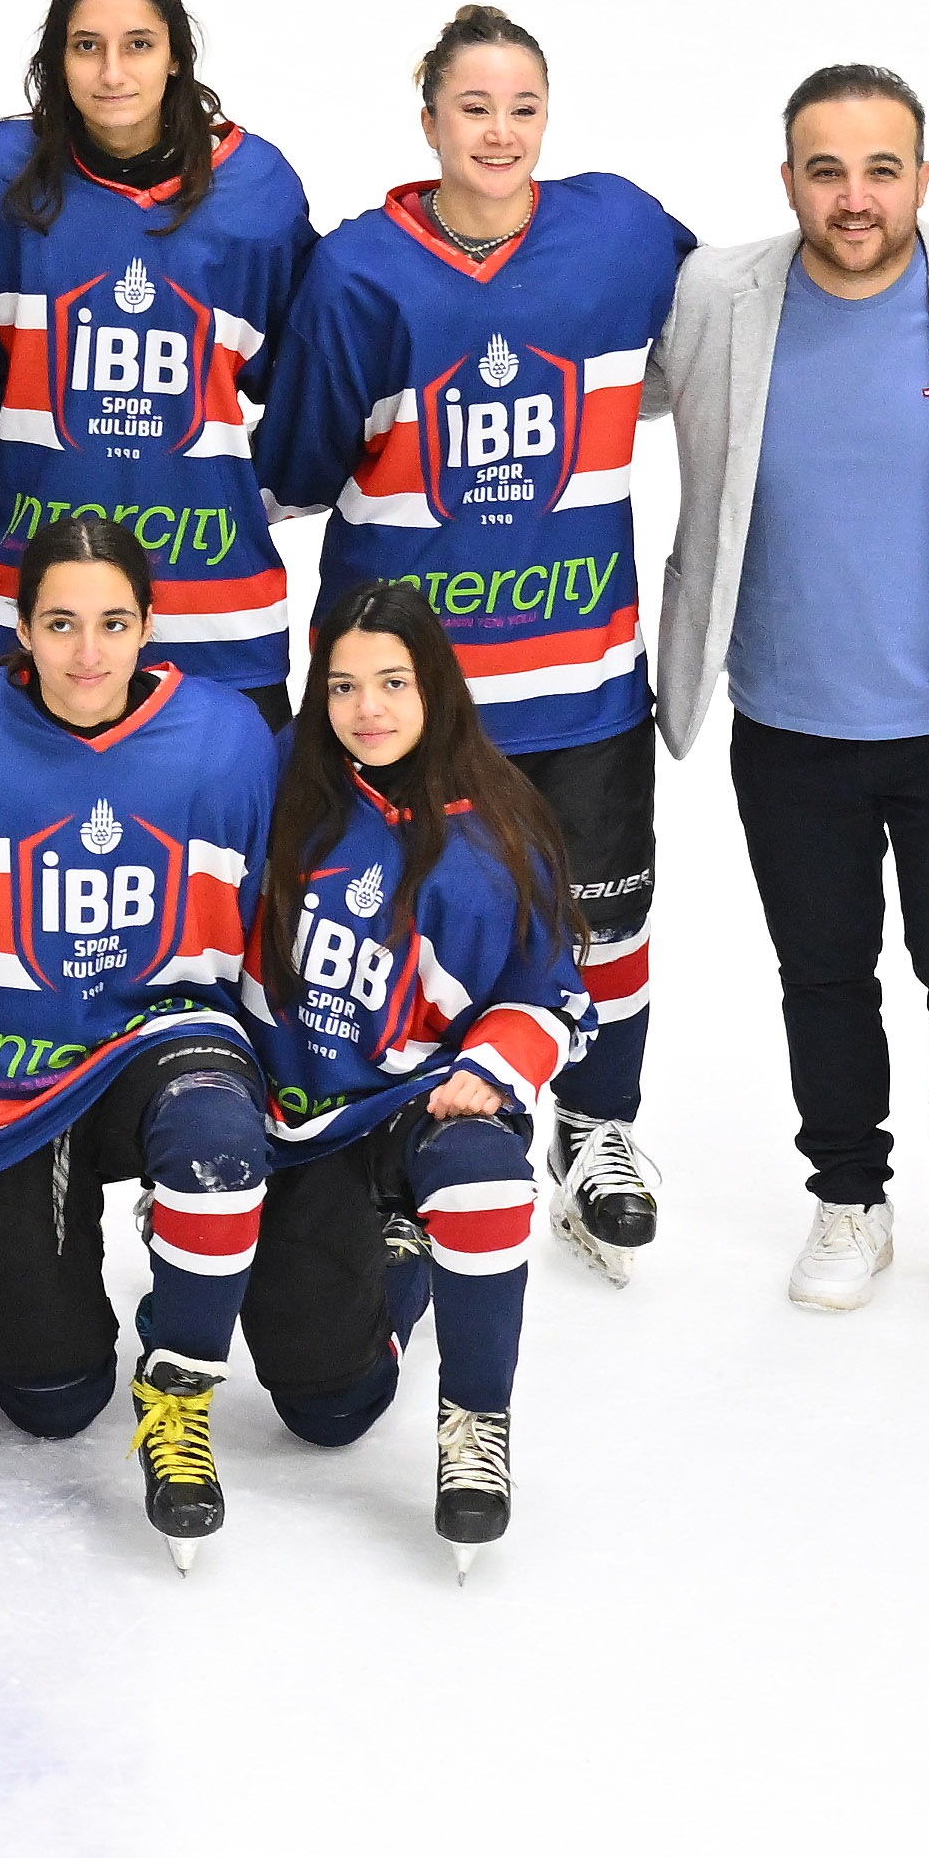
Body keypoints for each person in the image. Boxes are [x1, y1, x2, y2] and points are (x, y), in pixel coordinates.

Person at [649, 64, 929, 1313]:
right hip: (785, 720)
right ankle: (846, 1200)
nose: (854, 197)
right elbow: (588, 382)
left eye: (879, 169)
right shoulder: (712, 297)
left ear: (922, 178)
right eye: (826, 169)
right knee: (823, 977)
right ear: (787, 175)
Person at [267, 3, 693, 1276]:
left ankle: (597, 1131)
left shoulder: (616, 229)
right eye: (472, 108)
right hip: (411, 706)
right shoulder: (359, 271)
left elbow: (731, 319)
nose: (498, 132)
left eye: (521, 107)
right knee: (396, 927)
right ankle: (402, 1139)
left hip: (582, 689)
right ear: (428, 121)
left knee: (605, 928)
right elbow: (292, 469)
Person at [0, 516, 283, 1557]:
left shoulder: (227, 738)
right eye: (60, 624)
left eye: (111, 623)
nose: (87, 653)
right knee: (47, 1399)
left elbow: (269, 938)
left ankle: (179, 1390)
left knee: (218, 1145)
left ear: (150, 627)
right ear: (20, 629)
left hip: (162, 1041)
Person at [229, 589, 593, 1572]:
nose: (367, 709)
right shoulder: (277, 780)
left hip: (431, 1105)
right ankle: (399, 1261)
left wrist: (489, 1066)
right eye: (342, 686)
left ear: (436, 685)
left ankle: (476, 1424)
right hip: (301, 1120)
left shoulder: (502, 828)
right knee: (323, 1410)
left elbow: (558, 998)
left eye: (392, 683)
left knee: (484, 1175)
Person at [0, 0, 317, 706]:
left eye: (138, 45)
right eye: (87, 47)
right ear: (57, 60)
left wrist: (238, 493)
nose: (113, 73)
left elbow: (311, 385)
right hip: (24, 602)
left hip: (214, 615)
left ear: (176, 54)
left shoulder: (258, 193)